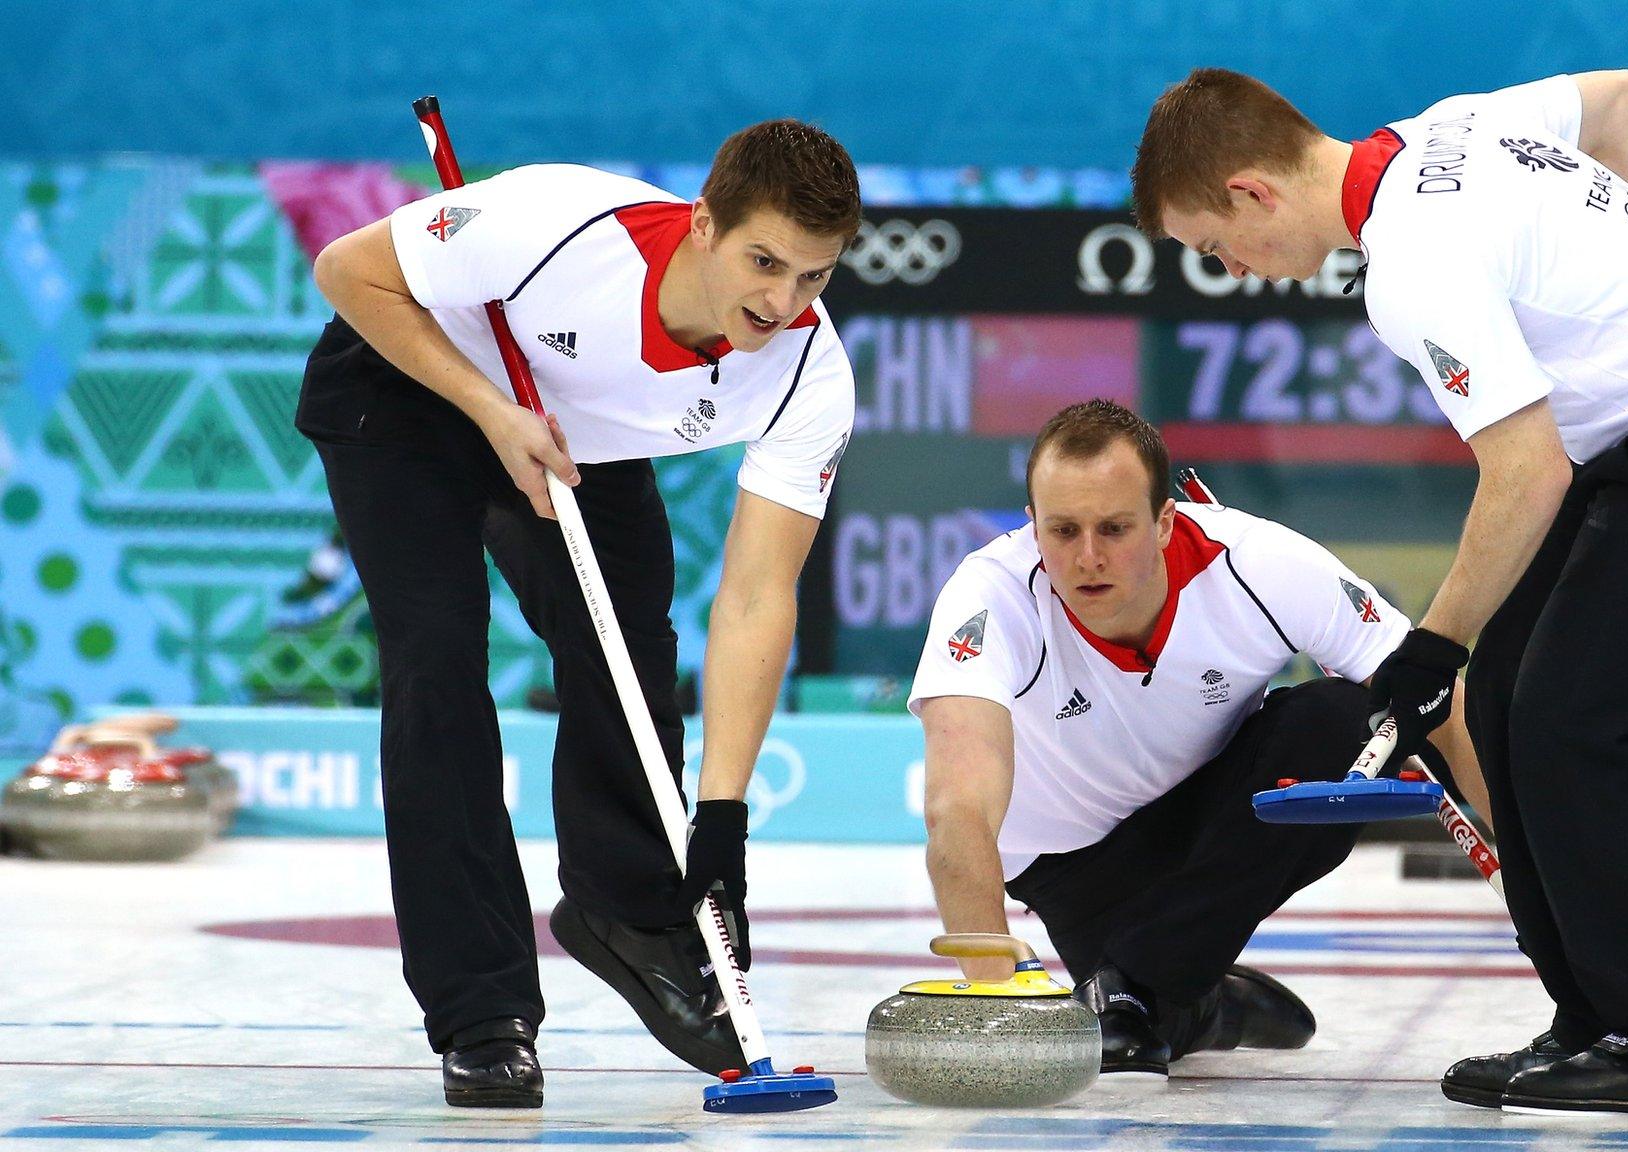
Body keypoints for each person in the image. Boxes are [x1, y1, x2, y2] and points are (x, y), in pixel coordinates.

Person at [1131, 69, 1628, 1114]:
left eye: (1213, 246)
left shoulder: (1412, 266)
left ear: (1250, 191)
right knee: (1511, 698)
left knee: (1577, 722)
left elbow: (1527, 471)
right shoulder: (1448, 127)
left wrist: (1431, 646)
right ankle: (1600, 1015)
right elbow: (1616, 99)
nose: (1230, 270)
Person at [298, 121, 861, 1107]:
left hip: (565, 427)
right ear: (703, 226)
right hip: (408, 382)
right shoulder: (558, 223)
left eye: (812, 278)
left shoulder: (807, 375)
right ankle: (481, 1012)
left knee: (631, 641)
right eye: (762, 262)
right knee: (436, 661)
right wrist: (488, 410)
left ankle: (628, 910)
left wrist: (719, 823)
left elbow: (758, 597)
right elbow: (347, 270)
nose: (781, 303)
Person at [909, 400, 1490, 1080]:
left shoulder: (1259, 563)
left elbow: (1442, 707)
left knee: (1343, 719)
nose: (1087, 558)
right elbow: (958, 811)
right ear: (1032, 525)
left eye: (1115, 528)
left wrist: (1546, 884)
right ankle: (1211, 1003)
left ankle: (1152, 977)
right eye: (1062, 530)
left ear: (1164, 521)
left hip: (1219, 815)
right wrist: (993, 1001)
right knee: (1135, 1029)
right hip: (1072, 866)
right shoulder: (990, 599)